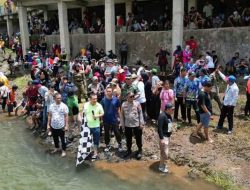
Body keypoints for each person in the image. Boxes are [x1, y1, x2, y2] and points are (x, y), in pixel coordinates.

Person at [120, 91, 145, 160]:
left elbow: (140, 114)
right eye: (131, 96)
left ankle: (139, 150)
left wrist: (141, 123)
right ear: (127, 97)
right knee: (128, 139)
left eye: (133, 96)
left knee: (138, 138)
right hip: (127, 125)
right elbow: (122, 115)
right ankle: (129, 150)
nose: (132, 98)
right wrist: (122, 125)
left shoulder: (137, 103)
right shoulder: (123, 104)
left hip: (136, 124)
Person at [83, 93, 104, 160]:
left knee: (96, 140)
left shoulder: (99, 105)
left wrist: (96, 116)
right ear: (90, 99)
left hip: (96, 126)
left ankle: (95, 153)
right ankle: (87, 152)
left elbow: (102, 113)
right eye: (94, 99)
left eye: (96, 98)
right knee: (87, 140)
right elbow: (83, 113)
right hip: (87, 126)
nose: (95, 100)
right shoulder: (86, 105)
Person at [47, 93, 69, 157]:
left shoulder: (64, 106)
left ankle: (63, 151)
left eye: (60, 98)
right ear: (54, 99)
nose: (59, 99)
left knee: (63, 139)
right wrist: (48, 125)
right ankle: (56, 148)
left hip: (61, 126)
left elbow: (66, 116)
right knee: (55, 138)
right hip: (53, 125)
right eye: (58, 98)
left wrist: (66, 125)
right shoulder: (51, 106)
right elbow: (49, 116)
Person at [101, 86, 122, 152]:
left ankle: (119, 144)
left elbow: (118, 109)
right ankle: (107, 145)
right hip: (106, 120)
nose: (108, 92)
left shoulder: (116, 99)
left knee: (117, 132)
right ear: (106, 92)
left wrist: (120, 118)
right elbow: (101, 111)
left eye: (110, 91)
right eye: (107, 91)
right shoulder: (103, 100)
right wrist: (101, 120)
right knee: (106, 133)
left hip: (114, 119)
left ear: (112, 92)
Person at [157, 103, 175, 173]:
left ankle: (163, 164)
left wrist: (170, 133)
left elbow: (169, 125)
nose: (173, 110)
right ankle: (161, 167)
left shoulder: (169, 115)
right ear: (167, 109)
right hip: (163, 137)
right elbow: (159, 128)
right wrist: (161, 139)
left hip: (167, 136)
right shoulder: (162, 116)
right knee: (165, 153)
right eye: (172, 109)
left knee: (164, 152)